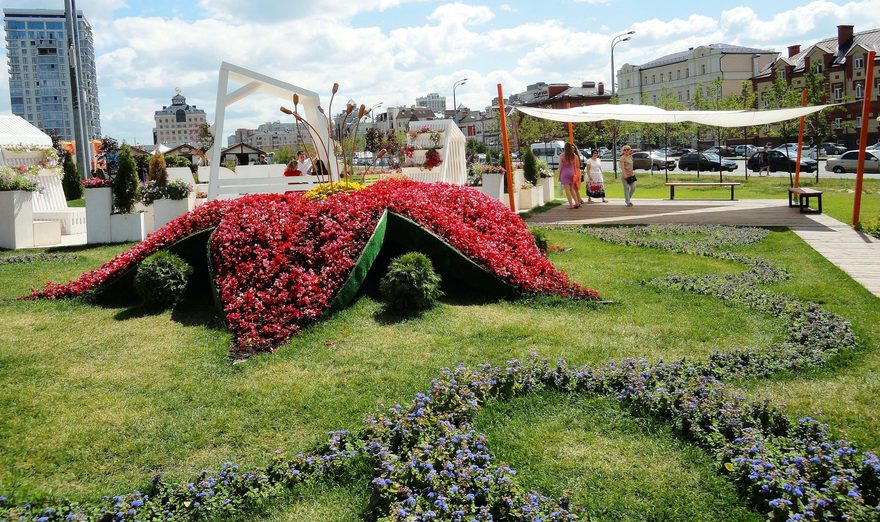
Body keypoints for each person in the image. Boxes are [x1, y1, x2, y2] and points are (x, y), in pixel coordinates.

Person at [558, 142, 583, 209]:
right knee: (572, 189)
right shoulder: (574, 155)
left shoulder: (562, 155)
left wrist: (559, 176)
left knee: (567, 190)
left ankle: (571, 205)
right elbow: (577, 165)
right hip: (572, 173)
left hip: (564, 173)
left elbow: (560, 167)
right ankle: (577, 202)